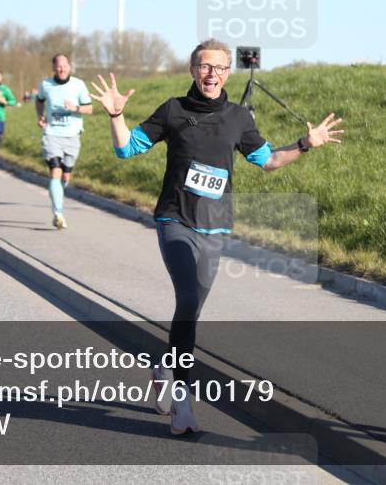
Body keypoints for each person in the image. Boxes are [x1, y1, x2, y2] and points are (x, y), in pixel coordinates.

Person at [90, 38, 343, 435]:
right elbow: (126, 150)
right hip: (175, 222)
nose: (212, 74)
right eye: (205, 67)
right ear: (193, 70)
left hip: (215, 227)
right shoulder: (173, 110)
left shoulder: (238, 117)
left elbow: (269, 162)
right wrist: (116, 116)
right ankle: (183, 404)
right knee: (187, 299)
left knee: (190, 313)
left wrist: (303, 145)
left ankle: (164, 368)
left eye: (220, 68)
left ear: (228, 73)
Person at [35, 54, 93, 229]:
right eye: (58, 66)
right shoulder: (45, 85)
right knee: (55, 172)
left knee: (65, 177)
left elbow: (90, 109)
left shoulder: (78, 85)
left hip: (72, 136)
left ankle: (58, 193)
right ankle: (58, 213)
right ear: (54, 68)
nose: (61, 69)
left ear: (70, 67)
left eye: (64, 66)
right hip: (52, 134)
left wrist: (74, 108)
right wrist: (40, 116)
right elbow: (39, 101)